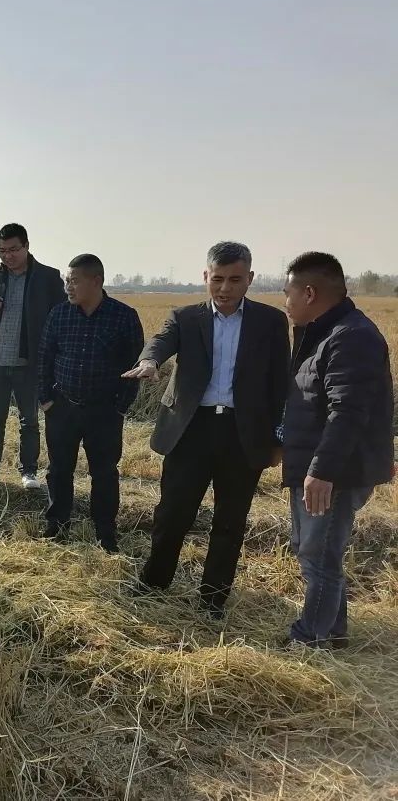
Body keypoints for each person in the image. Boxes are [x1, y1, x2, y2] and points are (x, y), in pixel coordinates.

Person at [124, 241, 290, 620]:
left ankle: (213, 599)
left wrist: (279, 438)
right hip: (191, 430)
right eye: (218, 279)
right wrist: (150, 362)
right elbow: (160, 341)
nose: (225, 288)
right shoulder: (186, 317)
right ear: (205, 277)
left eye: (235, 279)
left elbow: (281, 382)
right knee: (172, 514)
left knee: (230, 522)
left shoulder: (269, 322)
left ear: (250, 278)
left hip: (242, 433)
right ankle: (154, 582)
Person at [280, 252, 393, 648]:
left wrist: (322, 471)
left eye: (289, 292)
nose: (286, 301)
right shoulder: (324, 333)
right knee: (312, 549)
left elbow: (347, 411)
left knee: (319, 555)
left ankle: (312, 637)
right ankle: (333, 630)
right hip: (318, 463)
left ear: (309, 293)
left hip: (336, 471)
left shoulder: (351, 337)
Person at [37, 254, 144, 552]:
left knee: (105, 473)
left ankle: (105, 533)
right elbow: (44, 358)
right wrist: (46, 399)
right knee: (59, 470)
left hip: (104, 411)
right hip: (63, 407)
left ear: (96, 281)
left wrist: (120, 407)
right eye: (66, 281)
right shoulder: (59, 314)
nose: (68, 287)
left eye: (74, 281)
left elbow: (135, 365)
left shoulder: (123, 316)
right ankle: (57, 527)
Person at [0, 223, 66, 489]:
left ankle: (29, 472)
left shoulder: (47, 277)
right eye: (2, 251)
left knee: (29, 421)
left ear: (27, 246)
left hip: (29, 363)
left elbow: (61, 317)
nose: (7, 256)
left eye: (13, 250)